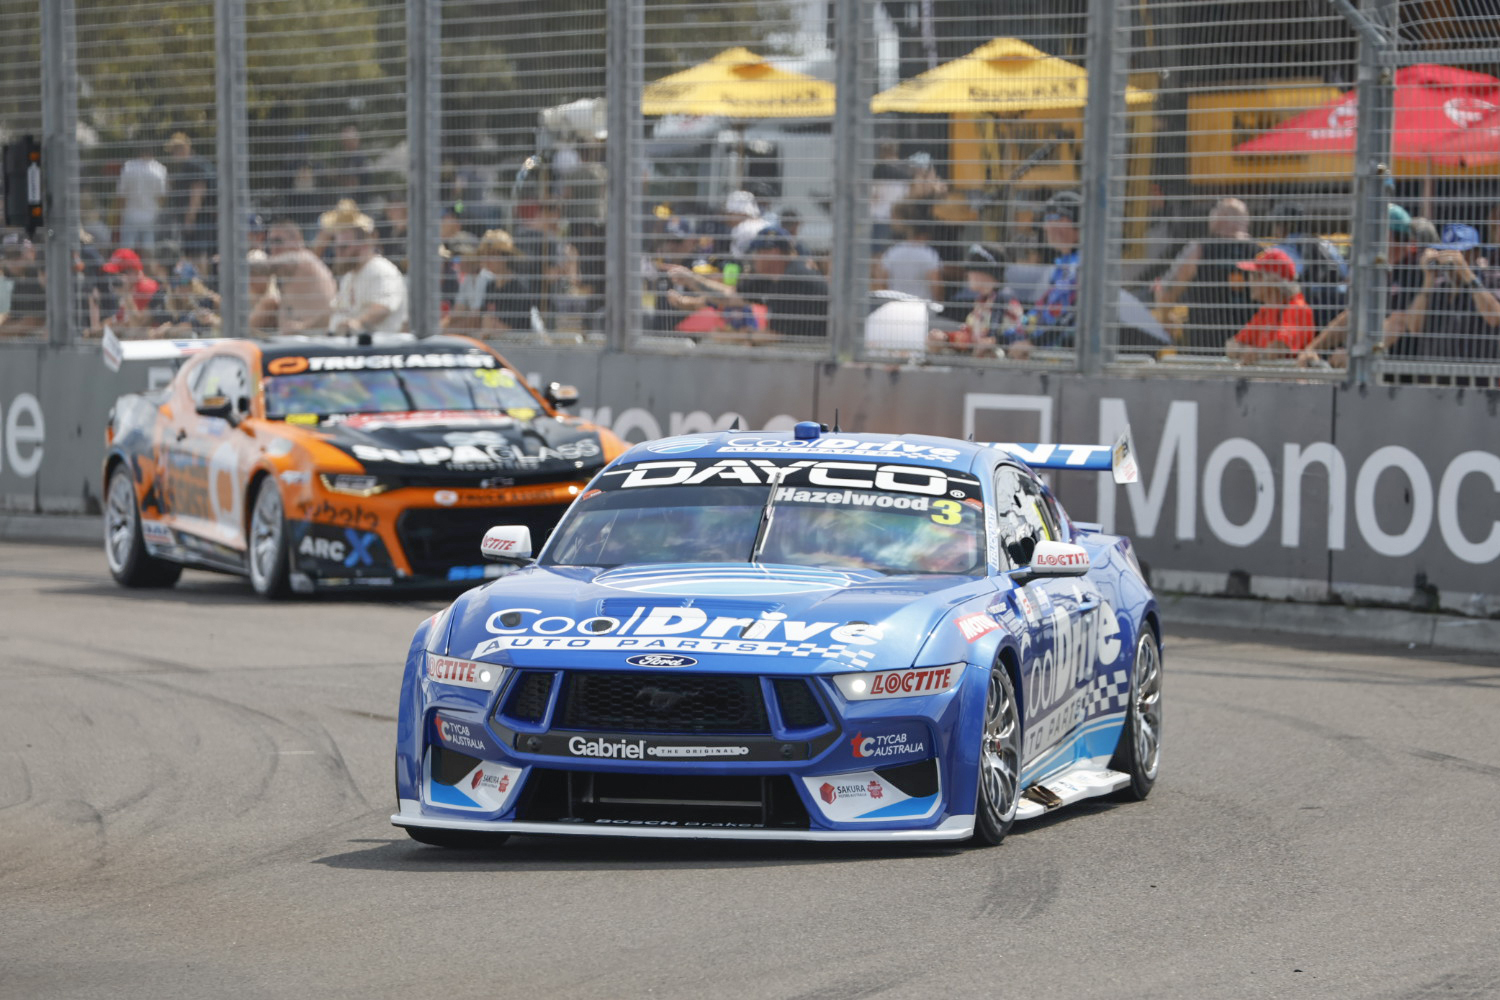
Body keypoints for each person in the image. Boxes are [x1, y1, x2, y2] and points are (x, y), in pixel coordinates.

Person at [1297, 209, 1434, 368]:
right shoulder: (1381, 271)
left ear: (1389, 235)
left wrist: (1354, 355)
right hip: (1380, 366)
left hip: (1409, 370)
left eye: (1375, 233)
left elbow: (1399, 322)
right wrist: (1312, 349)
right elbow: (1353, 315)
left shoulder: (1414, 269)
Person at [1154, 197, 1262, 351]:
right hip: (1248, 348)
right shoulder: (1260, 254)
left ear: (1219, 218)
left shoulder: (1199, 249)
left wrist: (1166, 318)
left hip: (1205, 346)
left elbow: (1168, 290)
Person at [1381, 223, 1500, 361]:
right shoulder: (1439, 287)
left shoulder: (1490, 280)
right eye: (1446, 253)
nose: (1450, 261)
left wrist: (1466, 273)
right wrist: (1428, 280)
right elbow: (1414, 327)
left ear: (1476, 253)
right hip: (1435, 372)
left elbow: (1495, 318)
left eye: (1459, 254)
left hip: (1475, 371)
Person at [1001, 190, 1082, 359]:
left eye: (1053, 219)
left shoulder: (1081, 266)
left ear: (1073, 223)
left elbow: (1073, 316)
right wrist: (999, 340)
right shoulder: (1063, 266)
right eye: (1046, 219)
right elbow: (1038, 314)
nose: (1046, 227)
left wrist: (1034, 343)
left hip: (1069, 361)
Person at [726, 227, 828, 343]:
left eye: (757, 252)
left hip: (813, 349)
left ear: (773, 252)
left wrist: (734, 336)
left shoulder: (792, 279)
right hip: (806, 348)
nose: (754, 258)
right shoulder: (777, 276)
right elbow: (733, 297)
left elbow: (775, 336)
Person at [326, 202, 407, 335]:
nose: (338, 254)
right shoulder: (349, 276)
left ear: (364, 244)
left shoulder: (382, 270)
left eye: (344, 247)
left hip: (381, 346)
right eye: (336, 247)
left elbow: (383, 308)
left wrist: (356, 323)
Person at [928, 243, 1022, 357]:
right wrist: (946, 338)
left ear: (985, 273)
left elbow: (1009, 338)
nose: (967, 274)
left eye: (971, 269)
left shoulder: (1005, 300)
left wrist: (992, 341)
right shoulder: (982, 301)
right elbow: (970, 336)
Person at [1269, 201, 1348, 333]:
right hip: (1336, 310)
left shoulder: (1279, 250)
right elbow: (1345, 274)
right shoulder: (1326, 244)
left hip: (1302, 313)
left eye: (1275, 225)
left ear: (1284, 226)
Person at [1225, 248, 1316, 363]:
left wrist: (1254, 354)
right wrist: (1247, 352)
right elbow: (1231, 346)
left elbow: (1278, 350)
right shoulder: (1266, 310)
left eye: (1256, 276)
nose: (1250, 281)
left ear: (1273, 280)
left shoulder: (1297, 308)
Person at [254, 218, 337, 335]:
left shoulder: (300, 259)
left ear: (296, 240)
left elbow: (266, 267)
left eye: (278, 241)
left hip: (314, 336)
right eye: (270, 242)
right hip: (298, 337)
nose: (273, 247)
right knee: (270, 303)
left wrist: (237, 263)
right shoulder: (295, 266)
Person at [873, 202, 943, 303]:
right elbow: (936, 285)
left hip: (896, 306)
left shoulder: (892, 253)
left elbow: (881, 282)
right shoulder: (929, 255)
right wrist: (939, 304)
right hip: (921, 307)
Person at [163, 132, 215, 264]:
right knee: (193, 254)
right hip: (200, 218)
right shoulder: (195, 163)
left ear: (184, 148)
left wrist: (190, 218)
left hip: (197, 219)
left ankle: (201, 278)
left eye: (175, 150)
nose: (173, 154)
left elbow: (198, 190)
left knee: (198, 255)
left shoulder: (192, 164)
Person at [101, 247, 167, 339]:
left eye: (121, 272)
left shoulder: (145, 287)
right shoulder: (131, 288)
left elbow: (136, 326)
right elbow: (117, 320)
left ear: (134, 271)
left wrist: (126, 295)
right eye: (114, 274)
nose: (117, 278)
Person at [478, 229, 535, 334]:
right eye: (485, 254)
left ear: (505, 257)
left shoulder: (519, 289)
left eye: (492, 254)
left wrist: (490, 326)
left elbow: (513, 330)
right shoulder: (490, 286)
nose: (487, 259)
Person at [115, 140, 168, 250]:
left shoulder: (128, 167)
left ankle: (129, 262)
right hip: (151, 215)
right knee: (149, 249)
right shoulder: (159, 169)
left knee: (127, 249)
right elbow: (161, 197)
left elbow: (121, 195)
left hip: (130, 214)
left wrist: (119, 215)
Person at [0, 233, 46, 339]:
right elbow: (13, 318)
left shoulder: (38, 276)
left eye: (17, 255)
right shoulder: (19, 281)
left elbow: (33, 322)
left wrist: (5, 331)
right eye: (9, 257)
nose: (13, 262)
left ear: (30, 251)